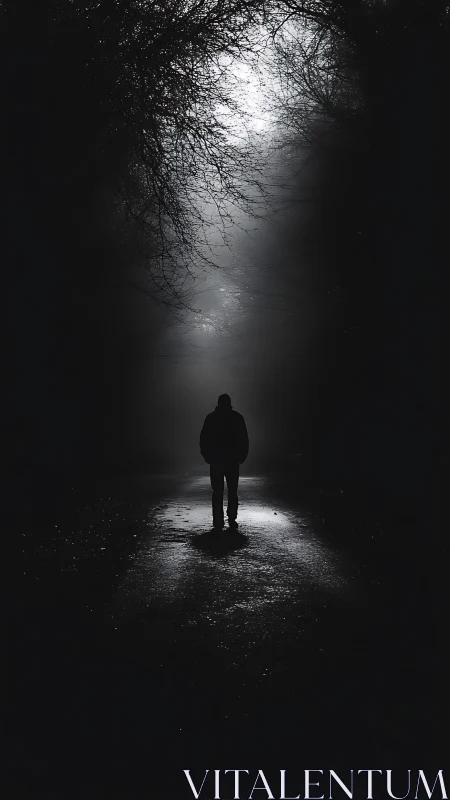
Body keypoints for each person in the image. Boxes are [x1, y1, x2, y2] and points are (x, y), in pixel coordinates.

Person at [200, 394, 249, 529]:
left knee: (217, 491)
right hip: (232, 460)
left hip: (216, 461)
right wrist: (241, 457)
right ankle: (231, 517)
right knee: (232, 491)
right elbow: (244, 439)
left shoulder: (211, 418)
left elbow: (204, 440)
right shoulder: (237, 418)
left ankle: (218, 519)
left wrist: (208, 457)